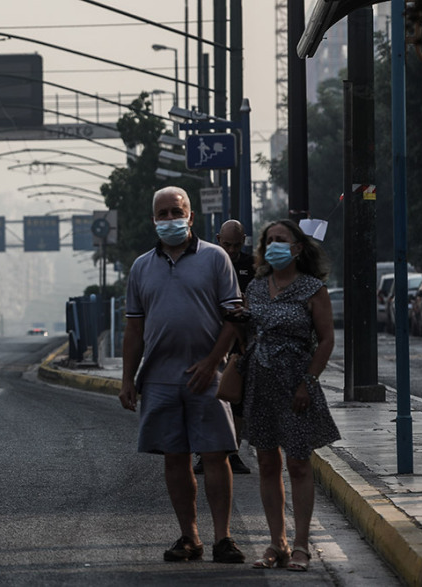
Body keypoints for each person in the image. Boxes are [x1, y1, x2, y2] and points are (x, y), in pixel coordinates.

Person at [119, 186, 246, 564]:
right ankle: (189, 537)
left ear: (191, 217)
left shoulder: (215, 258)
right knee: (173, 458)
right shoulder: (142, 267)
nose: (170, 219)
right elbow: (133, 329)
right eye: (163, 213)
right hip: (159, 377)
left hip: (208, 375)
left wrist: (212, 362)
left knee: (214, 455)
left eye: (177, 211)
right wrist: (128, 378)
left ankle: (223, 537)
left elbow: (234, 317)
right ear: (153, 220)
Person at [239, 219, 340, 572]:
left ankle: (301, 545)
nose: (274, 245)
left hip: (296, 384)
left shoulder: (313, 289)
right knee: (267, 463)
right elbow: (244, 331)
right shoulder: (254, 288)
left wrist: (308, 382)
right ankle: (276, 542)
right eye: (269, 241)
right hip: (260, 384)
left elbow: (326, 340)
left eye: (281, 240)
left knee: (297, 463)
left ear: (297, 247)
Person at [195, 219, 255, 476]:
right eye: (227, 244)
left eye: (237, 245)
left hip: (241, 340)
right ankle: (205, 451)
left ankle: (233, 451)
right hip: (211, 337)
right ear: (218, 239)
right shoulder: (206, 260)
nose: (231, 250)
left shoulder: (252, 266)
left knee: (236, 397)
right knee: (209, 395)